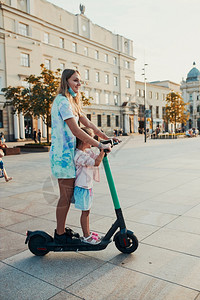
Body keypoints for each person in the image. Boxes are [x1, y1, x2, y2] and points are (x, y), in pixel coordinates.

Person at [49, 69, 116, 245]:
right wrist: (99, 145)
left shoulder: (72, 102)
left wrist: (104, 137)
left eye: (80, 81)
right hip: (62, 156)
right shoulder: (62, 101)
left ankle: (61, 232)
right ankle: (60, 234)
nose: (79, 84)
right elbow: (76, 130)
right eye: (75, 80)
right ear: (66, 81)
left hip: (69, 155)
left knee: (68, 196)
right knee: (65, 196)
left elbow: (87, 123)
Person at [73, 127, 104, 244]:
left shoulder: (86, 152)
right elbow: (96, 162)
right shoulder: (79, 155)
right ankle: (86, 236)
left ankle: (88, 233)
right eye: (91, 138)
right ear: (84, 140)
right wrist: (102, 150)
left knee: (87, 211)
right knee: (85, 212)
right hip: (82, 188)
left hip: (87, 187)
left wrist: (103, 148)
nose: (93, 140)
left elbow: (96, 158)